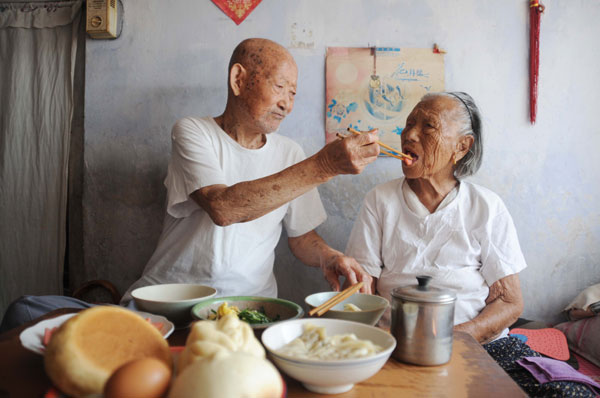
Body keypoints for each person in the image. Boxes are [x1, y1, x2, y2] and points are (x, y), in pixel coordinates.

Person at [0, 38, 379, 331]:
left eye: (294, 93)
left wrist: (329, 256)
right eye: (280, 87)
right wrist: (326, 165)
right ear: (238, 79)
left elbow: (301, 238)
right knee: (23, 312)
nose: (287, 103)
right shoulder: (193, 131)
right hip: (170, 302)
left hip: (250, 310)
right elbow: (224, 208)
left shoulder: (292, 152)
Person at [345, 92, 596, 397]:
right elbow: (362, 288)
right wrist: (388, 340)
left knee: (570, 393)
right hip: (398, 343)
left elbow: (510, 303)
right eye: (409, 124)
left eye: (428, 127)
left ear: (462, 146)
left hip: (484, 344)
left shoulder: (486, 206)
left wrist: (454, 338)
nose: (409, 134)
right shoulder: (380, 200)